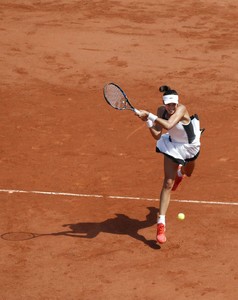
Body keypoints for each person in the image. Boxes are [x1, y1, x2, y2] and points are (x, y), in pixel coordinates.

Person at [137, 85, 203, 244]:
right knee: (167, 183)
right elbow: (157, 135)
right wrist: (147, 122)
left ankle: (181, 174)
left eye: (174, 104)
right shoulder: (161, 111)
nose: (171, 107)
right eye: (168, 105)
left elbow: (168, 125)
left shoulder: (182, 109)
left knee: (188, 173)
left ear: (177, 103)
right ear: (164, 103)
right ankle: (161, 224)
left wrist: (149, 115)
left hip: (189, 146)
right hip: (173, 146)